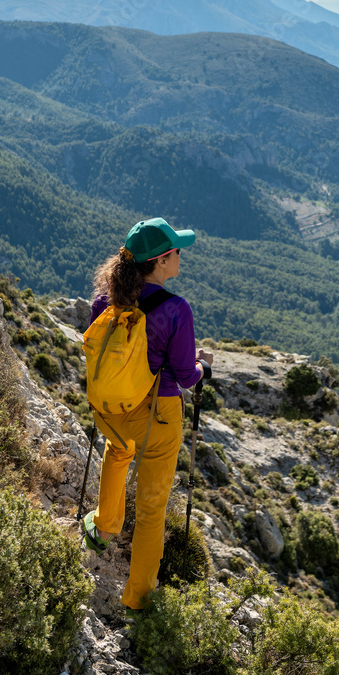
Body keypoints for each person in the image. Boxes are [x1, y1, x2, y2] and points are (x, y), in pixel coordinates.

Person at [82, 216, 213, 612]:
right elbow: (183, 375)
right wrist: (203, 365)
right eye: (176, 251)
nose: (180, 256)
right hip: (157, 415)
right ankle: (138, 599)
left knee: (117, 451)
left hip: (111, 409)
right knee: (153, 510)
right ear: (160, 262)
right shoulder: (176, 309)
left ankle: (104, 526)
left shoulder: (105, 301)